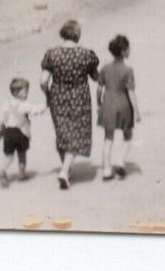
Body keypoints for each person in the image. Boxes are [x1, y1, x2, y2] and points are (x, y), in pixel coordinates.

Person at [40, 19, 100, 189]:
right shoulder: (86, 55)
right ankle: (65, 171)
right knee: (77, 134)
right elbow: (96, 77)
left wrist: (48, 96)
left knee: (63, 134)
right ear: (78, 35)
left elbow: (43, 81)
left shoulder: (51, 54)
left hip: (57, 97)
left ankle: (66, 168)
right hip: (80, 98)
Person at [98, 35, 140, 180]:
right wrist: (137, 111)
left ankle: (106, 170)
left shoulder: (104, 68)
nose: (130, 50)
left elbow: (99, 89)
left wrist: (99, 103)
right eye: (128, 48)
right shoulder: (128, 70)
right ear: (123, 51)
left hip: (108, 104)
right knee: (128, 136)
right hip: (124, 105)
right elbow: (131, 92)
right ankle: (120, 160)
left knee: (108, 138)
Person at [0, 77, 48, 186]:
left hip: (8, 133)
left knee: (9, 157)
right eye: (25, 91)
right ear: (16, 92)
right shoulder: (25, 105)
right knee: (22, 155)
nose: (27, 94)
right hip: (21, 133)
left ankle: (2, 169)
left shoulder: (6, 104)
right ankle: (21, 174)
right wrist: (47, 105)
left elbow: (2, 118)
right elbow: (36, 110)